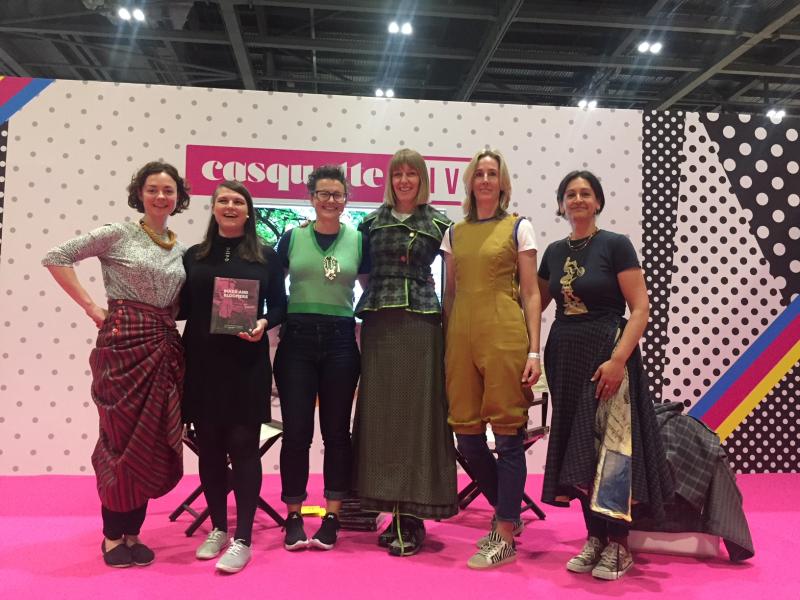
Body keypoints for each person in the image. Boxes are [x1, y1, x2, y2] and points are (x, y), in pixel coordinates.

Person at [42, 161, 191, 568]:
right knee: (119, 437)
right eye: (153, 189)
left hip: (163, 343)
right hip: (123, 343)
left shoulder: (180, 248)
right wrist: (92, 306)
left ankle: (134, 532)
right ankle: (111, 535)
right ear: (139, 194)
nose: (161, 196)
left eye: (169, 190)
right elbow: (57, 256)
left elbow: (177, 303)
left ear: (178, 197)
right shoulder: (117, 233)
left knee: (154, 436)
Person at [537, 170, 673, 581]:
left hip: (608, 355)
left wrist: (617, 361)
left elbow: (641, 309)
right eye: (570, 194)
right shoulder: (554, 251)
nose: (577, 199)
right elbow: (531, 301)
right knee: (578, 448)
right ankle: (594, 537)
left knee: (614, 449)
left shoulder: (616, 245)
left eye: (585, 193)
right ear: (562, 204)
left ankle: (619, 544)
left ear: (597, 202)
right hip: (564, 355)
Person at [352, 148, 458, 557]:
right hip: (379, 324)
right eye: (398, 174)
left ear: (422, 179)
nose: (404, 181)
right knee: (381, 416)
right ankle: (387, 508)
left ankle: (412, 517)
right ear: (390, 180)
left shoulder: (440, 223)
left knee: (417, 417)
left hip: (422, 324)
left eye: (412, 174)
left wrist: (451, 329)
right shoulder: (369, 222)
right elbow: (362, 273)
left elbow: (453, 283)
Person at [442, 148, 542, 570]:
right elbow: (449, 293)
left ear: (502, 183)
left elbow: (532, 292)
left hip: (504, 333)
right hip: (460, 337)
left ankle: (503, 532)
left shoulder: (519, 226)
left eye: (491, 173)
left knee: (506, 436)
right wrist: (447, 341)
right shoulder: (455, 232)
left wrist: (534, 350)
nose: (484, 179)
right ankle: (509, 509)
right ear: (469, 182)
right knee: (466, 437)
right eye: (478, 173)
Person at [180, 180, 286, 574]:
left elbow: (279, 305)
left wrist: (262, 322)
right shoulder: (194, 255)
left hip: (246, 365)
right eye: (222, 200)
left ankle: (242, 537)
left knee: (242, 445)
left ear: (248, 210)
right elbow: (182, 306)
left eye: (237, 201)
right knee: (208, 447)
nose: (229, 205)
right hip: (202, 363)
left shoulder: (265, 256)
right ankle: (218, 528)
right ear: (213, 208)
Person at [273, 165, 367, 552]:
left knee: (337, 434)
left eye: (338, 195)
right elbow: (271, 290)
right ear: (311, 199)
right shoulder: (291, 238)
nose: (331, 201)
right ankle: (293, 516)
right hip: (296, 340)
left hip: (342, 341)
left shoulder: (359, 241)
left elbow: (371, 289)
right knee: (296, 433)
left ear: (346, 200)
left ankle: (332, 516)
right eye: (323, 194)